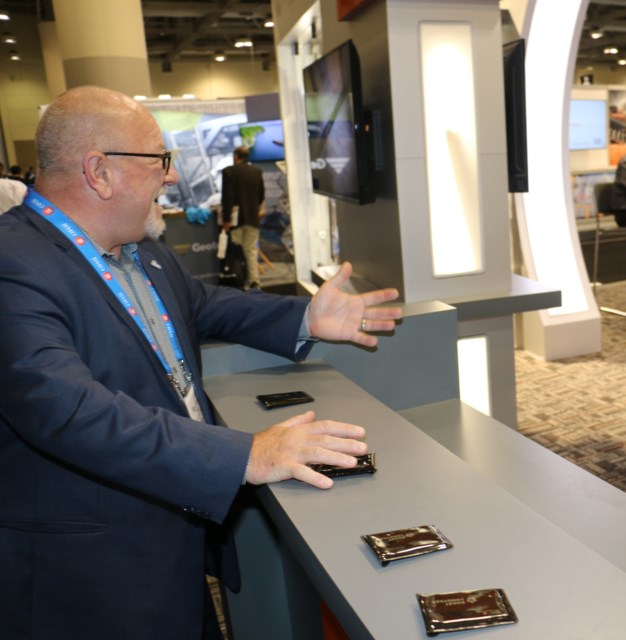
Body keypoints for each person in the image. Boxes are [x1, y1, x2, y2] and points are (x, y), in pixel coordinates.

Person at [0, 86, 402, 638]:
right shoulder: (12, 265)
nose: (169, 176)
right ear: (100, 172)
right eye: (158, 160)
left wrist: (306, 318)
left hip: (172, 538)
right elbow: (68, 412)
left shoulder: (140, 249)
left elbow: (205, 305)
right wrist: (247, 453)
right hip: (94, 576)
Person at [221, 145, 266, 290]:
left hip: (236, 221)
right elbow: (260, 196)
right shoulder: (256, 172)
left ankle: (240, 279)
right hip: (253, 218)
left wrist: (226, 219)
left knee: (237, 252)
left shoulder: (229, 172)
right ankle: (254, 281)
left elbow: (227, 198)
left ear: (235, 156)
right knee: (251, 250)